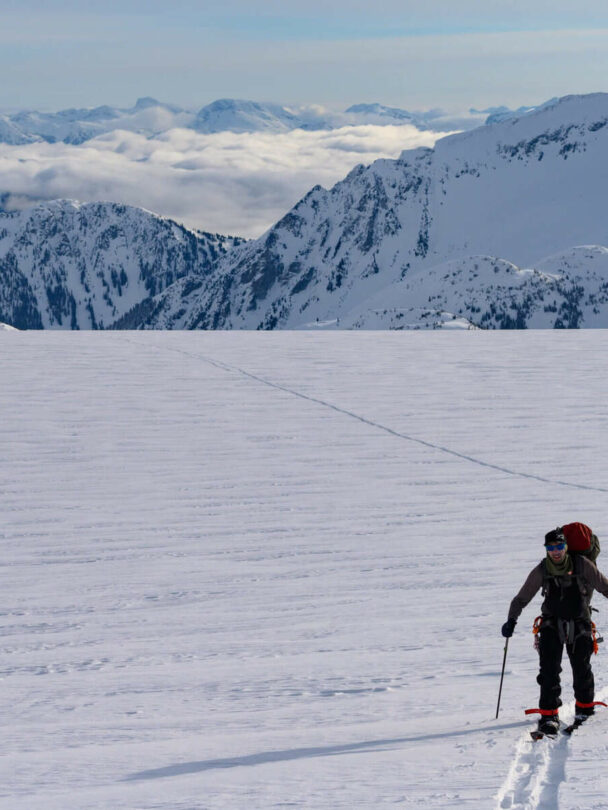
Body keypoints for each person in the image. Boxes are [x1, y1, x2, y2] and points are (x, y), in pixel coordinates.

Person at [501, 526, 608, 734]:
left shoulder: (581, 564)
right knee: (549, 669)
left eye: (559, 546)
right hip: (551, 624)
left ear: (566, 546)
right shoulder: (542, 569)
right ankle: (549, 715)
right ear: (546, 549)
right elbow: (522, 598)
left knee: (581, 667)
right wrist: (511, 620)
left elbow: (604, 586)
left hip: (580, 622)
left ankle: (584, 710)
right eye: (551, 547)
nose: (556, 551)